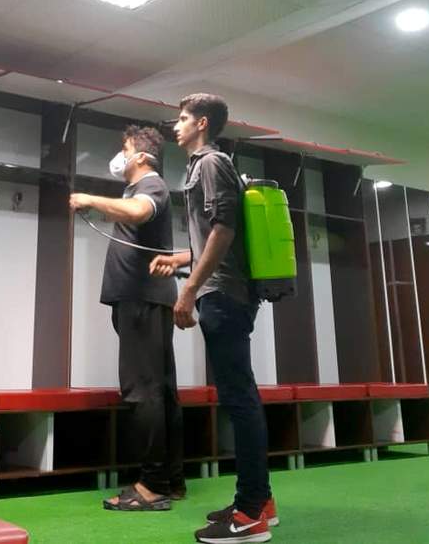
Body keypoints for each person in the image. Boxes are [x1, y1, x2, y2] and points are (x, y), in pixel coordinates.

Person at [150, 94, 277, 543]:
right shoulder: (201, 166)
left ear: (202, 123)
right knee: (240, 396)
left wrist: (188, 289)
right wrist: (180, 258)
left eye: (183, 118)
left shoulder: (211, 162)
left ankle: (250, 513)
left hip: (223, 296)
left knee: (240, 399)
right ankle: (260, 501)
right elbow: (214, 238)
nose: (176, 125)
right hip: (221, 292)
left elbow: (225, 230)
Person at [69, 124, 185, 511]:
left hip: (142, 300)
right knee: (160, 391)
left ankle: (152, 485)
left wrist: (90, 197)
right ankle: (171, 479)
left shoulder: (150, 186)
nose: (120, 155)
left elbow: (139, 212)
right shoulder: (139, 189)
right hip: (145, 300)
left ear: (141, 156)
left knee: (143, 391)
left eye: (125, 148)